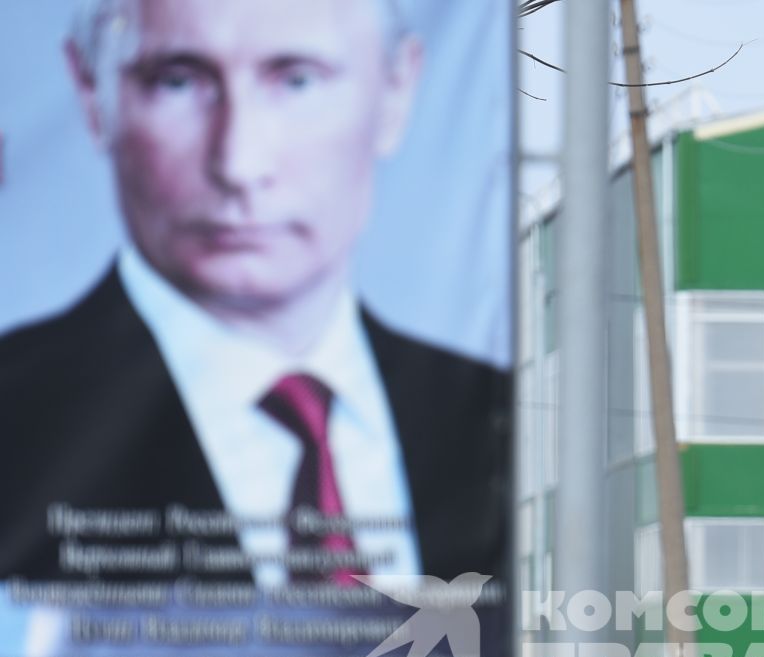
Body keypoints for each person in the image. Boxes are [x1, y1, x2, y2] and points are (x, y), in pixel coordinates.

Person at [0, 0, 510, 584]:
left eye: (296, 80)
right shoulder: (14, 426)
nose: (238, 164)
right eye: (177, 82)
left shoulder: (499, 424)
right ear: (93, 97)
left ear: (396, 89)